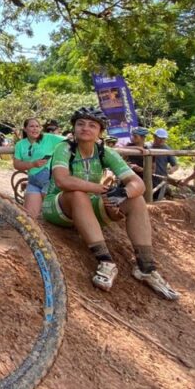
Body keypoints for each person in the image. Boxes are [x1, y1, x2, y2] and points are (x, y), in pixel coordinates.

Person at [42, 106, 179, 300]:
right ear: (73, 128)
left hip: (88, 205)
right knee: (78, 193)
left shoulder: (105, 152)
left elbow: (138, 184)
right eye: (80, 124)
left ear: (100, 131)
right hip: (58, 206)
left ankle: (146, 267)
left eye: (92, 125)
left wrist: (121, 193)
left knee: (136, 200)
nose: (85, 128)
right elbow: (62, 181)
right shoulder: (64, 148)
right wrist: (102, 190)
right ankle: (105, 260)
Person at [12, 117, 64, 219]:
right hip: (33, 182)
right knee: (29, 217)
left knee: (54, 212)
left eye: (37, 126)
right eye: (31, 126)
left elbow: (70, 141)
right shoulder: (20, 144)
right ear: (25, 129)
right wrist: (33, 164)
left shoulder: (49, 138)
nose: (35, 129)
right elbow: (16, 164)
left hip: (50, 182)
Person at [151, 128, 178, 201]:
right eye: (160, 138)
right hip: (147, 179)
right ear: (154, 136)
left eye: (164, 138)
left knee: (157, 201)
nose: (162, 140)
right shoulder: (147, 146)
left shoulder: (167, 149)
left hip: (160, 181)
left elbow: (175, 165)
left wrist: (171, 170)